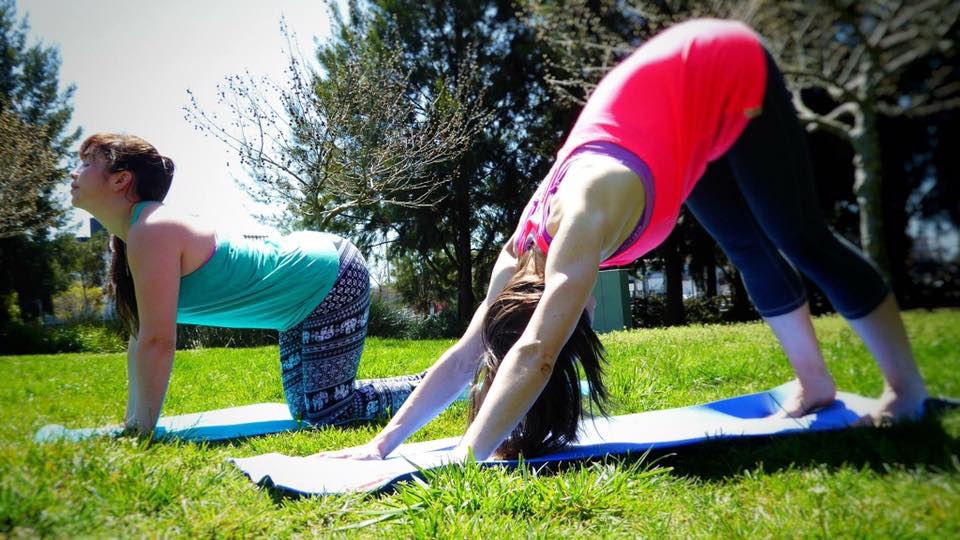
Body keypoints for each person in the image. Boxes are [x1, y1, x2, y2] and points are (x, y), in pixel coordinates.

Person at [321, 19, 929, 462]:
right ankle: (817, 385)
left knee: (798, 236)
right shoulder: (515, 254)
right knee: (747, 250)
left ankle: (906, 390)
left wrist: (464, 458)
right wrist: (381, 445)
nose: (577, 316)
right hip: (672, 113)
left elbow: (535, 354)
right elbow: (467, 353)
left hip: (718, 61)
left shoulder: (580, 224)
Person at [69, 133, 423, 435]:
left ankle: (444, 384)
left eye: (86, 162)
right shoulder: (134, 236)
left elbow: (158, 342)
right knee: (306, 410)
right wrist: (135, 425)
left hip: (329, 274)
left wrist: (141, 433)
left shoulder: (152, 229)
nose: (75, 172)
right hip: (301, 295)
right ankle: (445, 382)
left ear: (120, 179)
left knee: (329, 413)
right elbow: (142, 337)